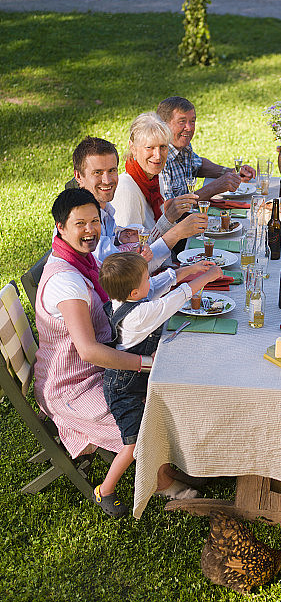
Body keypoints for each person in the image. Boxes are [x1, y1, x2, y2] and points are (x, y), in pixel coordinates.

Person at [34, 189, 186, 517]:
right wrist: (147, 364)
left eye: (94, 221)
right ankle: (159, 481)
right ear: (60, 227)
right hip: (72, 385)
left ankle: (170, 460)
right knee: (146, 409)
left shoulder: (84, 261)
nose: (90, 230)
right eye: (79, 224)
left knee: (166, 383)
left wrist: (174, 278)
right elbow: (88, 352)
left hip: (97, 364)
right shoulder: (67, 282)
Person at [98, 252, 223, 496]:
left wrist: (189, 269)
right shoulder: (138, 314)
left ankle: (172, 467)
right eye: (145, 278)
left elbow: (157, 284)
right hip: (124, 388)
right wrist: (206, 277)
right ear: (134, 293)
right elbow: (173, 299)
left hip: (134, 379)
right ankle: (105, 489)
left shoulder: (127, 299)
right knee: (132, 443)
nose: (150, 280)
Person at [111, 112, 208, 254]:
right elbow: (134, 257)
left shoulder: (156, 179)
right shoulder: (126, 189)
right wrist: (170, 220)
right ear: (133, 148)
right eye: (149, 147)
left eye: (163, 147)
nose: (157, 156)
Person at [72, 136, 169, 270]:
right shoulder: (81, 220)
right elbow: (119, 272)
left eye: (112, 170)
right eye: (98, 173)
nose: (107, 180)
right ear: (78, 177)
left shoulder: (106, 210)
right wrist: (175, 235)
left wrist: (124, 242)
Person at [156, 96, 255, 201]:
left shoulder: (183, 147)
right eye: (182, 121)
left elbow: (199, 165)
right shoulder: (158, 158)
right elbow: (168, 210)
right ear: (163, 126)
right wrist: (213, 188)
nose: (189, 128)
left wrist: (231, 172)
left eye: (192, 121)